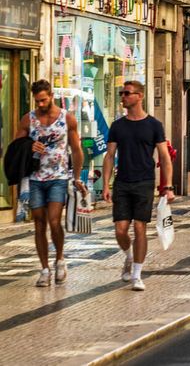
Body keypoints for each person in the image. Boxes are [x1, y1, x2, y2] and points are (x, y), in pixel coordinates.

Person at [101, 80, 173, 292]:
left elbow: (164, 157)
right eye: (121, 93)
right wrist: (106, 184)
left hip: (144, 182)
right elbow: (109, 155)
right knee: (120, 230)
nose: (123, 97)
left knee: (140, 227)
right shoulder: (117, 126)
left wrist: (167, 186)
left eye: (127, 93)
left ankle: (137, 274)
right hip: (122, 182)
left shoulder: (153, 125)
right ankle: (129, 256)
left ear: (139, 96)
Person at [14, 79, 85, 287]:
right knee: (38, 222)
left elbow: (76, 149)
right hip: (35, 178)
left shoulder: (67, 119)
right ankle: (44, 268)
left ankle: (60, 260)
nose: (41, 105)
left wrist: (77, 176)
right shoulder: (28, 119)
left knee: (54, 220)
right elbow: (16, 146)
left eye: (44, 100)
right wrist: (29, 146)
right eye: (37, 101)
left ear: (51, 95)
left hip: (59, 177)